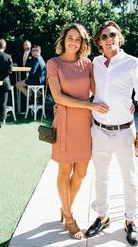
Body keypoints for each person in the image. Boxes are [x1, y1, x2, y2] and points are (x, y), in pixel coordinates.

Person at [85, 21, 138, 246]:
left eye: (113, 34)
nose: (109, 38)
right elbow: (87, 88)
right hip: (99, 130)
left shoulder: (133, 63)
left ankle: (130, 221)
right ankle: (102, 217)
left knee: (129, 179)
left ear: (119, 37)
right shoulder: (94, 63)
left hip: (124, 131)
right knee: (101, 177)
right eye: (104, 36)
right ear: (98, 42)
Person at [47, 23, 109, 240]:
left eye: (78, 39)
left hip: (84, 125)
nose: (73, 42)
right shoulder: (53, 63)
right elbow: (58, 97)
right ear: (63, 39)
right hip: (64, 122)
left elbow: (99, 90)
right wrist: (89, 106)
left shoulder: (88, 64)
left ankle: (65, 207)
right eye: (70, 38)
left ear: (83, 42)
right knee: (64, 172)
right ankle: (70, 217)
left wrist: (123, 102)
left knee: (81, 174)